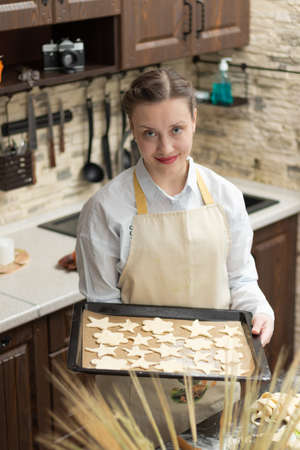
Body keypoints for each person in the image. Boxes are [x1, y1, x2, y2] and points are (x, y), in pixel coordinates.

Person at [76, 67, 274, 441]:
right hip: (137, 400)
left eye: (176, 130)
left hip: (216, 391)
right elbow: (102, 313)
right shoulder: (105, 210)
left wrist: (260, 311)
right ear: (132, 131)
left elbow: (240, 279)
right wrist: (168, 359)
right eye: (149, 133)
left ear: (195, 120)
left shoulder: (225, 196)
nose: (165, 148)